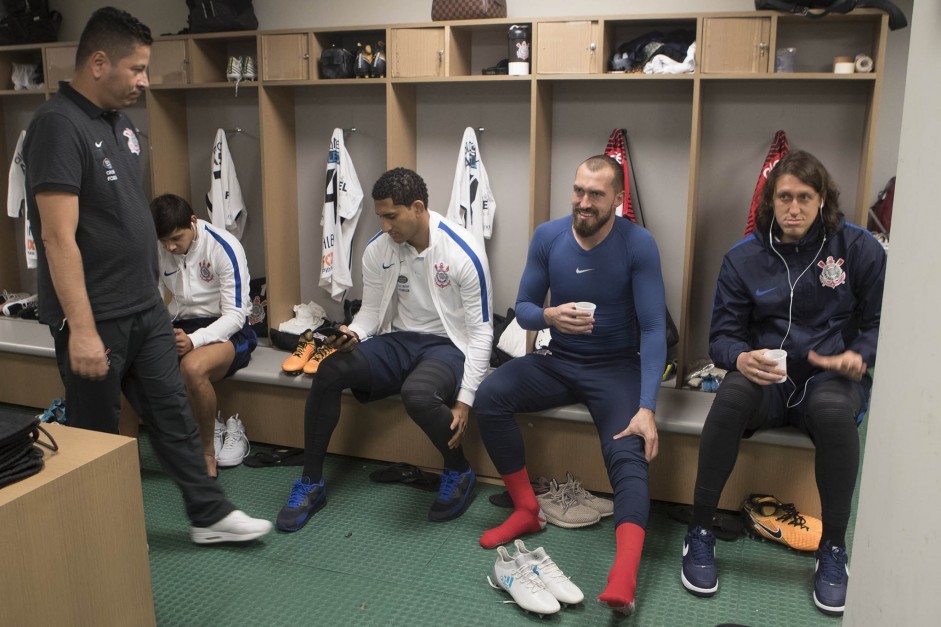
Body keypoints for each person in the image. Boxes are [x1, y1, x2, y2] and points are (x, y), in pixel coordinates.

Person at [23, 7, 270, 544]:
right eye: (135, 68)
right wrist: (82, 329)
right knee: (96, 433)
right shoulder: (56, 126)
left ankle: (209, 516)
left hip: (143, 307)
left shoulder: (122, 125)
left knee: (172, 413)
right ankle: (97, 539)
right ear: (97, 62)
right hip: (96, 316)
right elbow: (57, 237)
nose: (144, 80)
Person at [679, 150, 886, 616]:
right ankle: (701, 531)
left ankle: (832, 549)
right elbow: (722, 338)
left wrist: (861, 354)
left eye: (805, 198)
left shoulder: (857, 249)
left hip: (829, 377)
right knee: (730, 397)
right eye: (785, 197)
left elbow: (880, 321)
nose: (794, 208)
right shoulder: (743, 257)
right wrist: (740, 357)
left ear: (823, 200)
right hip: (769, 377)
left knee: (835, 415)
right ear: (771, 201)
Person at [474, 155, 667, 615]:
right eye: (578, 190)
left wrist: (647, 407)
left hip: (616, 368)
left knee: (628, 448)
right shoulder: (549, 236)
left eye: (596, 194)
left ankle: (624, 574)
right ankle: (526, 511)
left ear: (618, 200)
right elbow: (522, 306)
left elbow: (655, 327)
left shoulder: (637, 245)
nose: (584, 202)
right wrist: (549, 316)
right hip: (558, 360)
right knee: (490, 395)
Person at [276, 167, 493, 532]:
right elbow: (372, 313)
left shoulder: (463, 252)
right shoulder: (379, 249)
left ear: (418, 208)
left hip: (448, 347)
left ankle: (459, 470)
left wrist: (465, 400)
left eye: (391, 216)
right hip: (399, 340)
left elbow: (482, 332)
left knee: (418, 394)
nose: (384, 224)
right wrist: (353, 334)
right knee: (330, 369)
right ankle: (311, 483)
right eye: (380, 216)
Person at [151, 193, 258, 478]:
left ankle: (206, 452)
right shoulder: (159, 248)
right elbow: (154, 298)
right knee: (130, 362)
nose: (171, 247)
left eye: (176, 238)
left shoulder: (224, 246)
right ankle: (125, 458)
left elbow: (236, 315)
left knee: (193, 367)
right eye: (164, 242)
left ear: (193, 222)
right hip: (183, 323)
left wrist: (195, 341)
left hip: (229, 329)